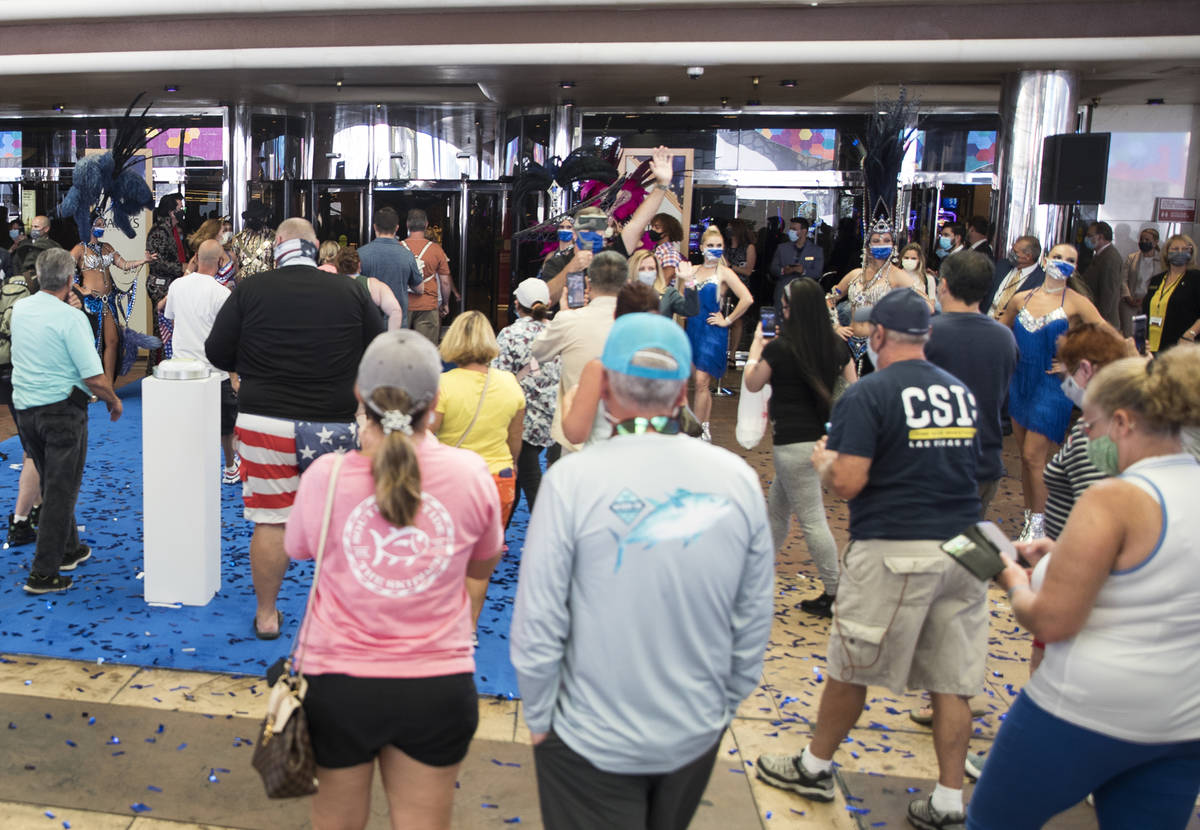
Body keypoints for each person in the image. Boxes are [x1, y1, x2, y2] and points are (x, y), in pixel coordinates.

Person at [511, 312, 774, 830]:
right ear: (682, 392)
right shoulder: (737, 481)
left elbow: (538, 622)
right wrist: (720, 708)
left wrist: (540, 719)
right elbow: (753, 616)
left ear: (605, 386)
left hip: (586, 736)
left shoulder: (572, 482)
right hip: (693, 732)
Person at [755, 288, 985, 830]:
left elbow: (850, 484)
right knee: (952, 680)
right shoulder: (959, 393)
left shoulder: (871, 395)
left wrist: (825, 462)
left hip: (898, 544)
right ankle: (950, 799)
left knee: (849, 665)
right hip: (968, 546)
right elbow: (973, 464)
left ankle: (815, 766)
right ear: (926, 335)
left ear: (877, 335)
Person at [970, 346, 1200, 830]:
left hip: (1085, 709)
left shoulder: (1115, 497)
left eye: (1089, 427)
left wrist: (1010, 574)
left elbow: (1051, 619)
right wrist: (1068, 558)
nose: (1085, 439)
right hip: (1181, 722)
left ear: (1122, 422)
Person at [284, 330, 502, 830]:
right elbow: (482, 565)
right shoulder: (472, 474)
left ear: (360, 396)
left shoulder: (327, 475)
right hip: (437, 684)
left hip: (338, 683)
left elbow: (299, 548)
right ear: (437, 400)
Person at [205, 218, 384, 639]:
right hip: (335, 423)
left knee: (270, 521)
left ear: (277, 245)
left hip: (264, 421)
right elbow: (378, 349)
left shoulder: (250, 290)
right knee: (340, 522)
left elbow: (216, 350)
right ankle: (340, 616)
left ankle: (267, 616)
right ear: (316, 245)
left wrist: (248, 360)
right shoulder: (351, 291)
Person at [10, 248, 123, 594]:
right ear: (71, 281)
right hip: (62, 412)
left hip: (25, 411)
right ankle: (43, 572)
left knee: (52, 481)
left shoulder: (21, 309)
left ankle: (70, 548)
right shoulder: (71, 319)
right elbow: (94, 377)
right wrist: (115, 401)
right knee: (62, 490)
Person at [744, 277, 854, 617]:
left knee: (811, 519)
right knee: (777, 512)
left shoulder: (779, 348)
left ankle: (836, 593)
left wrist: (756, 348)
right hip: (822, 440)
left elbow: (751, 383)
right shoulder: (836, 346)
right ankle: (755, 579)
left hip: (791, 443)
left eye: (786, 306)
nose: (782, 311)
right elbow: (854, 390)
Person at [1000, 243, 1114, 541]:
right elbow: (1000, 334)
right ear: (1046, 259)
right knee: (1025, 460)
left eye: (1070, 260)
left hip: (1053, 387)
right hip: (1021, 382)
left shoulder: (1077, 302)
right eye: (1059, 257)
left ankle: (1040, 528)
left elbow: (1109, 337)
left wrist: (1074, 363)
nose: (1063, 263)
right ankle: (1029, 521)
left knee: (1033, 456)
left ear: (1075, 267)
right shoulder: (1020, 298)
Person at [431, 310, 524, 629]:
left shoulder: (442, 385)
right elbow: (515, 442)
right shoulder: (510, 384)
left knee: (446, 555)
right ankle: (469, 627)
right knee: (480, 562)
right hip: (498, 480)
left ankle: (441, 620)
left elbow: (428, 437)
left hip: (452, 481)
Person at [925, 250, 1019, 518]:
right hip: (985, 459)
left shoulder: (927, 333)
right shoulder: (1004, 337)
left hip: (935, 463)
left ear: (943, 285)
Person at [539, 147, 674, 303]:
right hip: (570, 324)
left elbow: (638, 223)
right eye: (587, 229)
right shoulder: (558, 262)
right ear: (575, 234)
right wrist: (571, 269)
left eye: (598, 230)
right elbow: (546, 300)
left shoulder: (613, 257)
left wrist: (662, 185)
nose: (593, 234)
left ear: (605, 233)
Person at [531, 249, 626, 455]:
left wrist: (564, 316)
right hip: (626, 438)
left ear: (589, 284)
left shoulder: (569, 320)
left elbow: (538, 352)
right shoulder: (642, 324)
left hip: (576, 437)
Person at [162, 240, 240, 484]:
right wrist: (235, 376)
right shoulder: (222, 293)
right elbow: (230, 337)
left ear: (195, 257)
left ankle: (188, 469)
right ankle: (229, 467)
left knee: (186, 424)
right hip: (215, 370)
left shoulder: (177, 286)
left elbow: (171, 320)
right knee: (226, 426)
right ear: (219, 262)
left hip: (182, 369)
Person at [493, 279, 561, 516]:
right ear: (549, 303)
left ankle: (546, 535)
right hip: (553, 415)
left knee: (529, 478)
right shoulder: (559, 331)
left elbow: (499, 378)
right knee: (523, 475)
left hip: (520, 417)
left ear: (516, 305)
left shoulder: (510, 334)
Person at [828, 225, 928, 373]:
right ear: (867, 246)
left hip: (880, 347)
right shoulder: (855, 275)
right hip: (849, 343)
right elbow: (829, 298)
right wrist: (835, 326)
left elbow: (926, 305)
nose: (881, 244)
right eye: (876, 240)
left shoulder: (897, 276)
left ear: (893, 245)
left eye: (886, 240)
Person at [685, 226, 753, 442]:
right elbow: (685, 302)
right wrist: (685, 279)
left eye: (718, 246)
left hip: (712, 330)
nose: (714, 250)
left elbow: (747, 298)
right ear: (702, 247)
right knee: (695, 383)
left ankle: (698, 429)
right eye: (710, 245)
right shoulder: (693, 270)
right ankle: (702, 425)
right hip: (692, 328)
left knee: (703, 380)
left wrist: (728, 320)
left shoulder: (724, 272)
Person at [69, 215, 157, 380]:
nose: (102, 228)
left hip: (108, 300)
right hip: (91, 302)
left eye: (103, 225)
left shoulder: (107, 247)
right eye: (99, 224)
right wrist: (80, 288)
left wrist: (143, 260)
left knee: (113, 341)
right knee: (92, 343)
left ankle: (108, 384)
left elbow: (124, 264)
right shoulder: (79, 249)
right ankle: (91, 385)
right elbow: (65, 269)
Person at [357, 207, 423, 327]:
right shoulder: (407, 255)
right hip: (398, 324)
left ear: (375, 227)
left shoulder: (360, 254)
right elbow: (419, 288)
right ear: (397, 228)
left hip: (368, 324)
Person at [145, 193, 189, 362]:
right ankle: (157, 367)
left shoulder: (174, 231)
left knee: (171, 329)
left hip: (172, 285)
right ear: (171, 212)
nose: (182, 211)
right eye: (180, 208)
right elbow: (156, 263)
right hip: (160, 287)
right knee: (161, 329)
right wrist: (181, 268)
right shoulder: (159, 231)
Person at [1142, 233, 1200, 353]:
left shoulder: (1196, 278)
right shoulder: (1157, 280)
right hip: (1152, 345)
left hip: (1182, 345)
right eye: (1175, 249)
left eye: (1184, 249)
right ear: (1166, 252)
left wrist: (1191, 333)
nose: (1180, 252)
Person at [402, 209, 452, 344]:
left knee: (400, 350)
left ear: (407, 224)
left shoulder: (399, 248)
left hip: (402, 305)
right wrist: (445, 303)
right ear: (426, 225)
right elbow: (445, 282)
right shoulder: (436, 249)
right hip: (428, 304)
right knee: (427, 350)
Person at [334, 247, 404, 331]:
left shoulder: (329, 286)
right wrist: (390, 339)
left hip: (339, 340)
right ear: (359, 265)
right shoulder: (374, 285)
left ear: (337, 266)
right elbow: (395, 311)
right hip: (370, 340)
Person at [983, 235, 1044, 320]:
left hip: (1009, 328)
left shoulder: (1041, 280)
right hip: (984, 318)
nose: (1011, 253)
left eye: (1015, 252)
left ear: (1028, 256)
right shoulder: (1002, 265)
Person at [769, 216, 824, 309]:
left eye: (794, 229)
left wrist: (803, 271)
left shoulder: (816, 251)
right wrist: (783, 271)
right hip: (783, 293)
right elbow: (773, 268)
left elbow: (817, 273)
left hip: (806, 294)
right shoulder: (782, 248)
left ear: (804, 231)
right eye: (790, 229)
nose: (791, 232)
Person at [626, 249, 698, 318]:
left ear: (657, 271)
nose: (647, 272)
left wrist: (689, 281)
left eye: (651, 268)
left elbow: (691, 310)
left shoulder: (668, 294)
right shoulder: (624, 294)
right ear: (633, 270)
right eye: (641, 269)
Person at [1080, 221, 1123, 329]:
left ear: (1100, 237)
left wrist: (1098, 320)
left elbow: (1108, 294)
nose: (1086, 238)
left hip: (1104, 324)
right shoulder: (1100, 255)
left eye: (1090, 235)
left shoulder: (1110, 258)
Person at [726, 218, 758, 363]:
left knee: (737, 320)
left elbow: (748, 270)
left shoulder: (748, 247)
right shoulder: (724, 246)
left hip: (740, 287)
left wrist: (731, 267)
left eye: (730, 228)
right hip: (724, 287)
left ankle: (732, 354)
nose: (728, 231)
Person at [1119, 227, 1159, 336]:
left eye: (1147, 240)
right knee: (1129, 335)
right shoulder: (1131, 258)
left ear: (1155, 242)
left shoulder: (1161, 262)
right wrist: (1128, 297)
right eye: (1142, 240)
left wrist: (1145, 299)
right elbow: (1123, 279)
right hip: (1130, 302)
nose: (1143, 242)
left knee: (1144, 336)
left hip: (1149, 302)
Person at [230, 200, 275, 281]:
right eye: (252, 218)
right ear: (248, 219)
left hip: (267, 285)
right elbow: (233, 266)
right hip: (244, 286)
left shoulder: (274, 238)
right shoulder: (238, 239)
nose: (256, 220)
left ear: (264, 218)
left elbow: (278, 266)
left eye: (259, 217)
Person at [185, 218, 239, 285]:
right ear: (214, 234)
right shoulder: (199, 257)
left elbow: (238, 279)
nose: (225, 234)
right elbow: (185, 281)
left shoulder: (231, 255)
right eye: (223, 231)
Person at [648, 212, 685, 285]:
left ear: (667, 232)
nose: (652, 230)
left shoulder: (671, 254)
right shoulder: (656, 251)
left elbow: (664, 282)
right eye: (652, 226)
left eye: (657, 227)